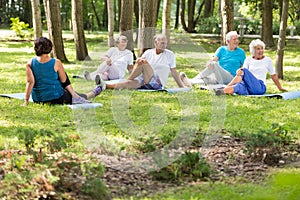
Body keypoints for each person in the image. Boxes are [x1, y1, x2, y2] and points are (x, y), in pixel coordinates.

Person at [23, 37, 103, 106]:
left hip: (38, 100)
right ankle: (91, 93)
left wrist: (26, 101)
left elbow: (30, 82)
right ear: (50, 48)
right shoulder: (56, 62)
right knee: (70, 89)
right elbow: (64, 80)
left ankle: (78, 95)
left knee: (69, 91)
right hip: (56, 97)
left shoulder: (30, 63)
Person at [95, 34, 185, 91]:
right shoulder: (148, 52)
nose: (164, 45)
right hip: (144, 79)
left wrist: (181, 87)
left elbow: (174, 71)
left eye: (165, 43)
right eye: (162, 43)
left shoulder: (170, 54)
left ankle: (128, 79)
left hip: (157, 83)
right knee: (128, 84)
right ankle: (105, 85)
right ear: (155, 43)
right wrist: (138, 62)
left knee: (144, 62)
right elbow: (138, 66)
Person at [215, 39, 287, 96]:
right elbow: (241, 75)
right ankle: (221, 91)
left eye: (262, 48)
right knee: (237, 87)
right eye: (258, 49)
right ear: (253, 50)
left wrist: (280, 88)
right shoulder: (248, 59)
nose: (261, 51)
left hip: (260, 86)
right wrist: (238, 72)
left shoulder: (267, 60)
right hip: (248, 85)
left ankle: (227, 86)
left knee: (244, 71)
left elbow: (273, 75)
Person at [180, 31, 246, 87]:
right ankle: (190, 82)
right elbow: (213, 61)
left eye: (237, 39)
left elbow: (245, 67)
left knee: (214, 65)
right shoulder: (221, 49)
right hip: (219, 75)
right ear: (228, 41)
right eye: (234, 39)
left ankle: (193, 79)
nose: (237, 41)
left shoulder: (241, 52)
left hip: (231, 77)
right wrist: (209, 64)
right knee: (206, 79)